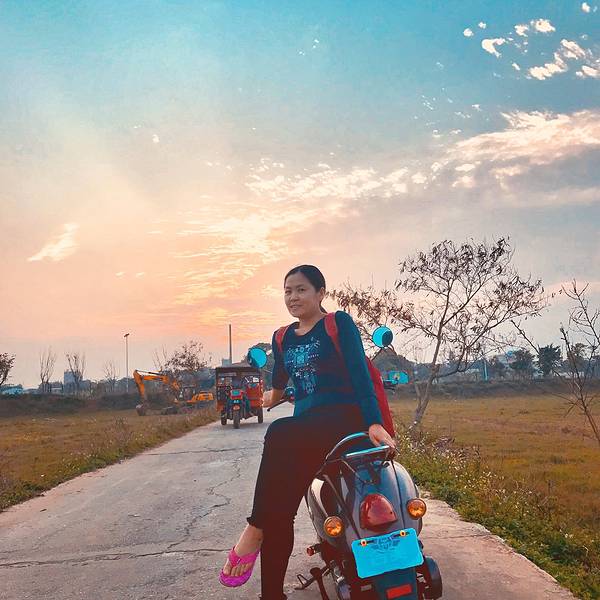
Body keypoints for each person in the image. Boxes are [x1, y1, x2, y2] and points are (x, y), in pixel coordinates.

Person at [219, 264, 396, 599]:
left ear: (320, 293)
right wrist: (270, 395)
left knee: (278, 432)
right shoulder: (282, 337)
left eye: (301, 290)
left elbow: (360, 374)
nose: (293, 297)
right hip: (305, 433)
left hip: (344, 421)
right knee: (279, 513)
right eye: (287, 291)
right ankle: (271, 594)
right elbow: (280, 379)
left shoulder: (337, 323)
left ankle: (253, 527)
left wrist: (374, 422)